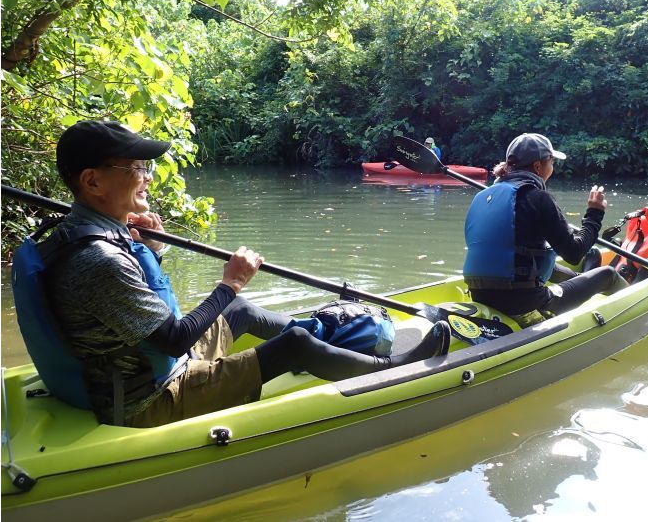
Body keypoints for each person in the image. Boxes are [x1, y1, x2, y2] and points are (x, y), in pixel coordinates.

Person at [39, 119, 450, 427]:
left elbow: (137, 308)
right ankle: (391, 368)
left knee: (241, 312)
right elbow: (174, 340)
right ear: (93, 182)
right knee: (292, 343)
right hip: (148, 398)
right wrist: (230, 283)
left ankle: (329, 345)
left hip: (144, 364)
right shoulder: (97, 258)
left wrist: (153, 250)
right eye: (136, 169)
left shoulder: (92, 235)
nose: (146, 179)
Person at [462, 132, 627, 327]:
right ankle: (637, 298)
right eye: (551, 161)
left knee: (559, 262)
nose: (553, 167)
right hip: (523, 304)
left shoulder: (481, 197)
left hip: (481, 295)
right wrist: (594, 214)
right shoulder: (538, 197)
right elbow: (574, 253)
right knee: (607, 274)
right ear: (538, 166)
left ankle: (581, 280)